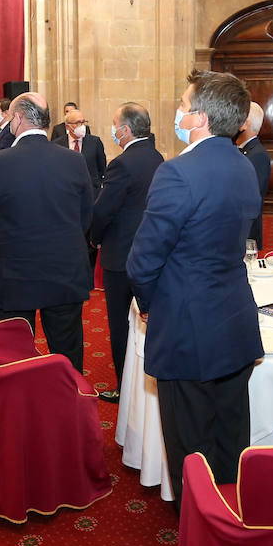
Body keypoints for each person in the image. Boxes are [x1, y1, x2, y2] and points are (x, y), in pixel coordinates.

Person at [127, 70, 262, 546]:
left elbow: (144, 259)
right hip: (233, 322)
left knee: (193, 456)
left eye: (183, 107)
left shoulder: (177, 172)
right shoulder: (244, 167)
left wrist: (150, 307)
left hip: (188, 330)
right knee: (232, 447)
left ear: (200, 118)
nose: (178, 114)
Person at [0, 92, 94, 370]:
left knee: (14, 358)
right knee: (67, 356)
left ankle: (20, 411)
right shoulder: (74, 161)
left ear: (17, 118)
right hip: (64, 272)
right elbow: (85, 217)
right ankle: (67, 408)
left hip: (13, 274)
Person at [89, 102, 163, 403]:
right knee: (150, 319)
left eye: (115, 124)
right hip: (152, 252)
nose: (113, 130)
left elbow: (103, 210)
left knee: (121, 324)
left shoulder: (122, 163)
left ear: (126, 129)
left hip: (122, 258)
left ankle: (124, 388)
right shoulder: (157, 157)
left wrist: (93, 238)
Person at [234, 101, 270, 250]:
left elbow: (249, 199)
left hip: (244, 233)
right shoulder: (241, 150)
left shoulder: (257, 155)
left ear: (245, 123)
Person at [53, 107, 107, 191]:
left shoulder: (95, 142)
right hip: (66, 191)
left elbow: (102, 168)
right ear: (68, 126)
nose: (82, 126)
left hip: (91, 192)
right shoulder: (57, 144)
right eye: (78, 123)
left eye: (83, 122)